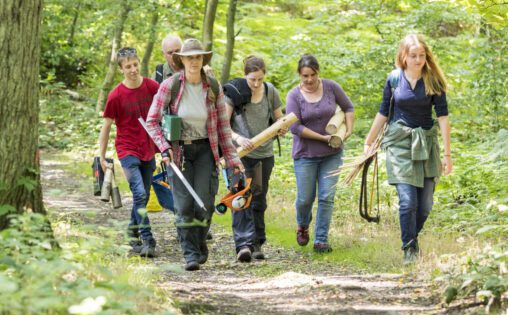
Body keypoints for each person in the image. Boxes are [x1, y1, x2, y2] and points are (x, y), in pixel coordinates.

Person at [145, 38, 244, 271]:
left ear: (202, 60)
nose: (194, 61)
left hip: (206, 151)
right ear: (182, 60)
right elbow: (151, 121)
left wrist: (233, 160)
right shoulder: (170, 86)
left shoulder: (212, 86)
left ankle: (199, 243)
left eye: (198, 57)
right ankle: (190, 253)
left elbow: (222, 127)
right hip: (178, 153)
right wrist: (164, 147)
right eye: (189, 57)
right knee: (183, 205)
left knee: (205, 203)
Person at [363, 34, 452, 264]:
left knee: (424, 206)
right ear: (403, 56)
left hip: (427, 144)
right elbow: (383, 112)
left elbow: (442, 117)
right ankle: (409, 249)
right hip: (399, 143)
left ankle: (412, 238)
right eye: (413, 56)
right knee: (407, 201)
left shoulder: (434, 80)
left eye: (422, 56)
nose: (418, 60)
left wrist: (447, 154)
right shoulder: (394, 79)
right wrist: (369, 141)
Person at [286, 54, 354, 253]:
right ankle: (302, 224)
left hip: (332, 153)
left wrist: (348, 130)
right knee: (305, 198)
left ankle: (321, 240)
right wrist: (321, 137)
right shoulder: (294, 96)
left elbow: (348, 107)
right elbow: (295, 127)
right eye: (305, 76)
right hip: (305, 154)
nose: (309, 80)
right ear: (300, 75)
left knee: (326, 196)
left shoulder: (331, 87)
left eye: (312, 75)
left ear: (318, 72)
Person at [98, 47, 160, 258]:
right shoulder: (116, 95)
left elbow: (166, 109)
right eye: (128, 67)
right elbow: (106, 127)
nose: (133, 70)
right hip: (127, 150)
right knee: (140, 194)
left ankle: (131, 235)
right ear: (121, 69)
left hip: (149, 149)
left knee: (141, 196)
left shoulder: (152, 87)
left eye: (135, 65)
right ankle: (148, 239)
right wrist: (102, 156)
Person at [224, 56, 283, 261]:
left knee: (258, 198)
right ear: (245, 76)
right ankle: (243, 245)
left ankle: (257, 242)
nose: (256, 84)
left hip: (264, 153)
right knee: (240, 197)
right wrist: (239, 138)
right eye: (252, 80)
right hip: (239, 155)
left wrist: (281, 128)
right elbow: (223, 125)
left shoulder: (270, 91)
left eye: (259, 79)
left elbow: (279, 118)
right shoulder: (234, 92)